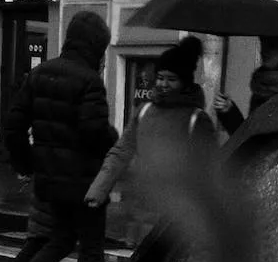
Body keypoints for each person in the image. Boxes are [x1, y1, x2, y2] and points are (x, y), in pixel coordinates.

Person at [0, 11, 116, 262]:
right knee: (90, 248)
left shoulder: (39, 74)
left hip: (50, 180)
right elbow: (94, 132)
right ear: (96, 46)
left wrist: (27, 163)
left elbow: (13, 125)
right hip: (85, 182)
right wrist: (114, 138)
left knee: (61, 239)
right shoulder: (90, 81)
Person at [83, 36, 219, 248]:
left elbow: (208, 171)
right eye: (160, 77)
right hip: (139, 209)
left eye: (171, 79)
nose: (163, 84)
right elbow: (121, 152)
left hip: (176, 218)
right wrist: (99, 189)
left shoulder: (197, 120)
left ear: (184, 81)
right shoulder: (144, 111)